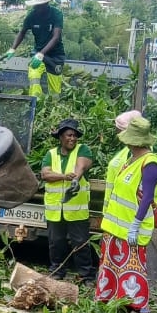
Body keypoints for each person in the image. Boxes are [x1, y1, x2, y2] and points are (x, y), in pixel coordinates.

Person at [96, 116, 157, 313]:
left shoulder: (150, 163)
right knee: (112, 265)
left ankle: (144, 310)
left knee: (133, 267)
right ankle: (115, 301)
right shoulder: (130, 160)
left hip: (131, 227)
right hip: (115, 225)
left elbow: (147, 197)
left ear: (134, 140)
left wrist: (135, 225)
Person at [41, 118, 94, 281]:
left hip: (76, 211)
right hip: (55, 210)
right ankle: (57, 272)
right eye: (69, 135)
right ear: (60, 137)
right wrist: (64, 176)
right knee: (56, 243)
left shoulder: (83, 150)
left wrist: (75, 178)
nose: (72, 138)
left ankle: (86, 275)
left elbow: (82, 166)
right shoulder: (51, 154)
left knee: (80, 244)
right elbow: (45, 175)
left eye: (74, 135)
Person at [2, 0, 66, 97]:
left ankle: (53, 108)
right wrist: (13, 49)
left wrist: (42, 54)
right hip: (37, 53)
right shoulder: (31, 16)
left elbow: (56, 38)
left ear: (46, 4)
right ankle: (35, 102)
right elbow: (22, 32)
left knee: (55, 92)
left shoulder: (56, 14)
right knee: (34, 76)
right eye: (35, 5)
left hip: (55, 55)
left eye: (39, 5)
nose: (36, 7)